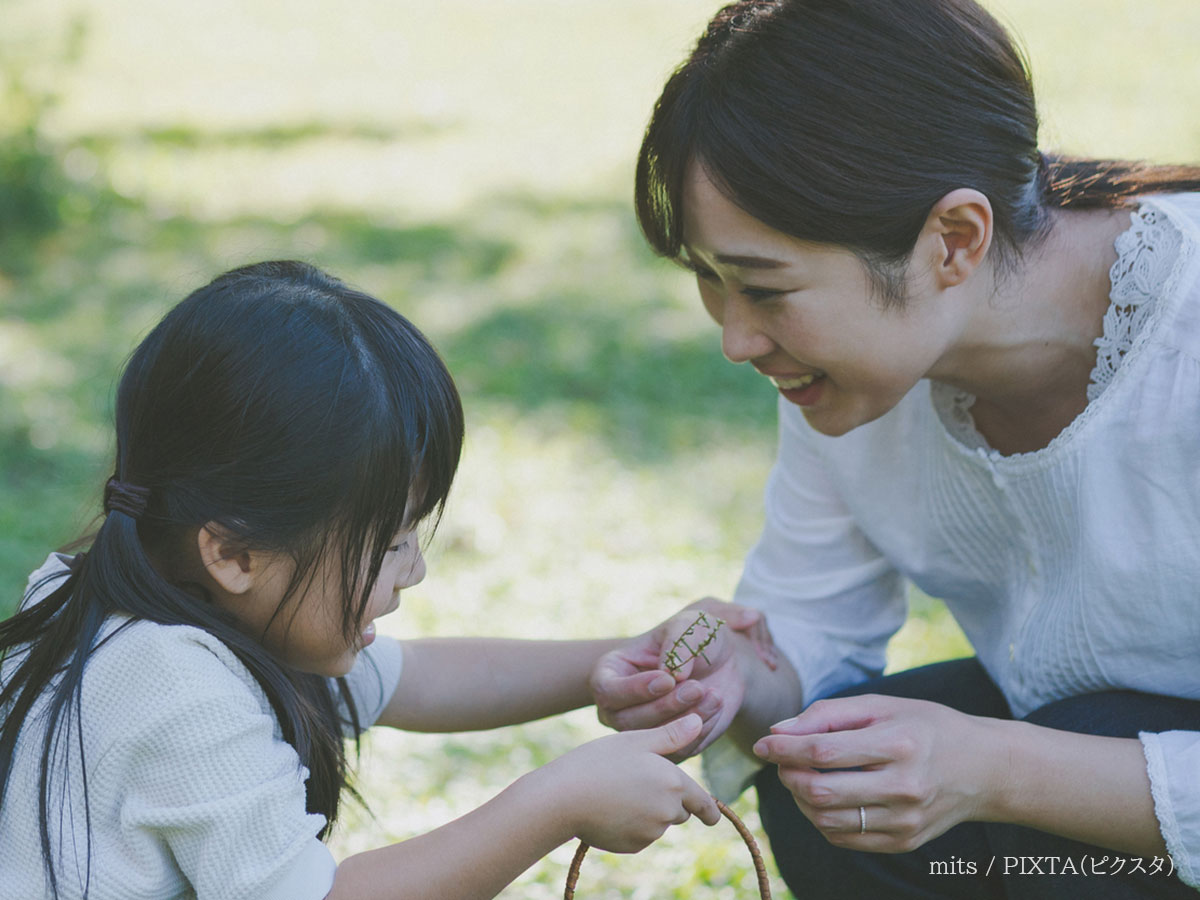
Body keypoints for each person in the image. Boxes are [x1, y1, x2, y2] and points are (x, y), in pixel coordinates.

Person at [588, 0, 1200, 896]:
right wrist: (735, 677)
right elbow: (811, 613)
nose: (735, 338)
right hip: (1085, 732)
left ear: (953, 241)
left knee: (1072, 829)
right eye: (709, 281)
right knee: (830, 781)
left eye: (763, 287)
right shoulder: (851, 373)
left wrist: (999, 767)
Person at [0, 260, 724, 900]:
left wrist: (612, 661)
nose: (415, 569)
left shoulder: (127, 598)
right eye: (390, 542)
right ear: (234, 554)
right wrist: (555, 802)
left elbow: (419, 678)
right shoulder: (174, 690)